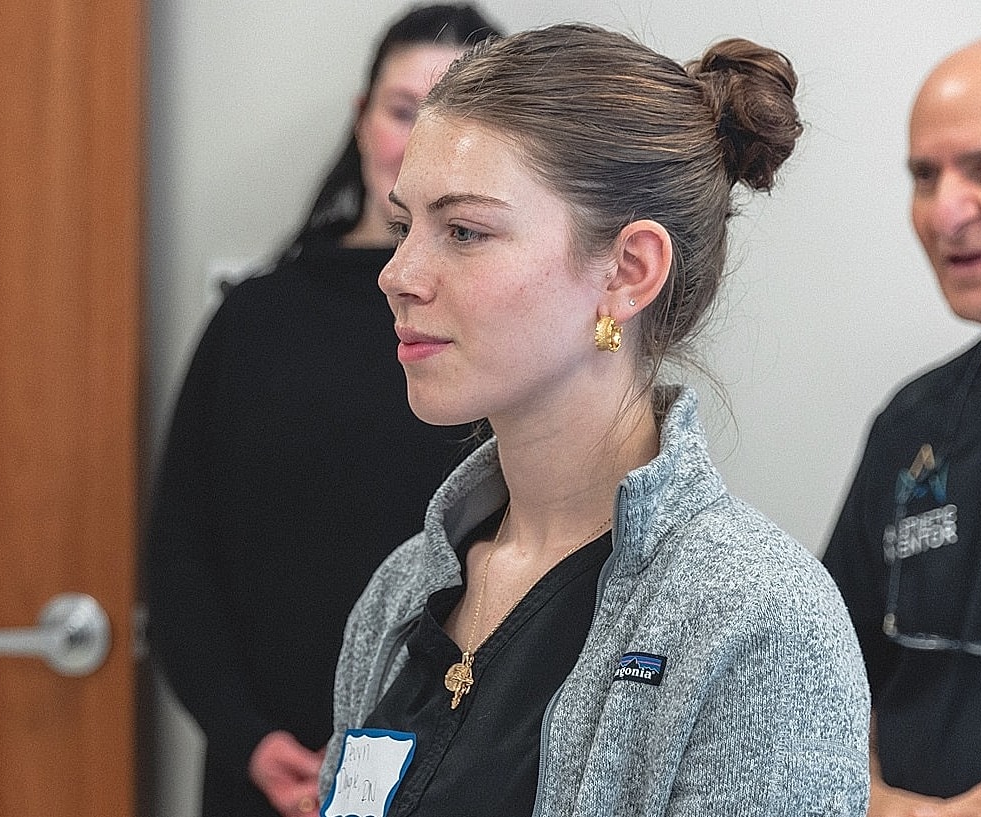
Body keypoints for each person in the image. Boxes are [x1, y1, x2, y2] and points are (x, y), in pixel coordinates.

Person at [318, 23, 869, 817]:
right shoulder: (401, 593)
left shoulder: (754, 617)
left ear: (627, 271)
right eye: (405, 227)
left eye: (463, 231)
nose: (397, 275)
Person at [145, 6, 502, 817]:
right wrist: (248, 738)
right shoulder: (256, 320)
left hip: (464, 778)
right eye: (405, 111)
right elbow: (181, 556)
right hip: (269, 776)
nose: (419, 144)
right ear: (361, 118)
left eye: (458, 121)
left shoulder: (513, 340)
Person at [821, 30, 981, 817]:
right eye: (922, 176)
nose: (945, 212)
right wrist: (866, 797)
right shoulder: (914, 426)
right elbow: (831, 675)